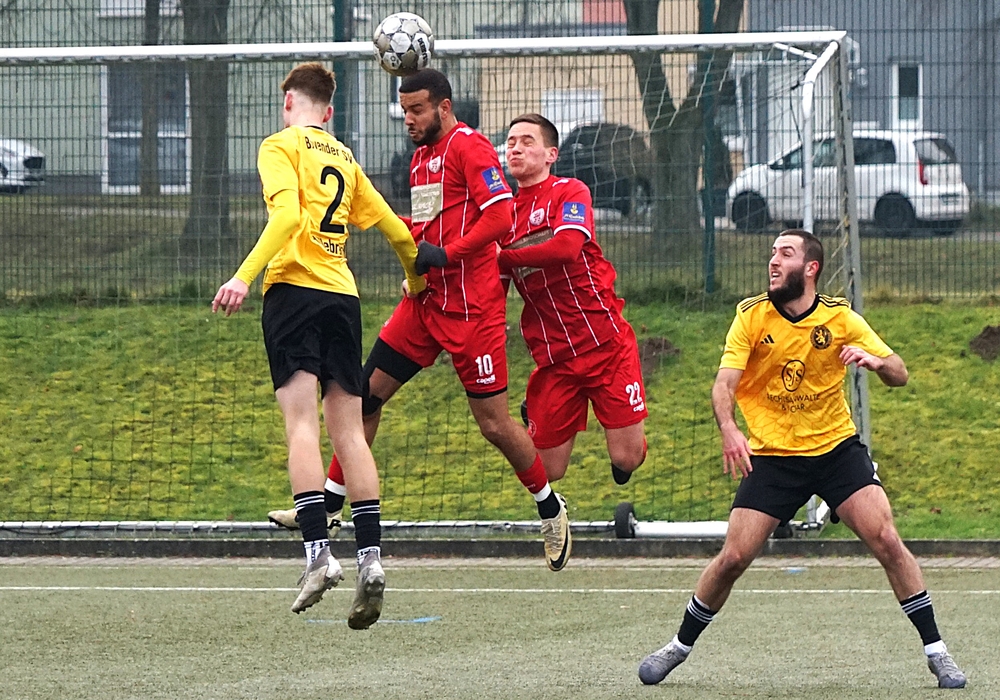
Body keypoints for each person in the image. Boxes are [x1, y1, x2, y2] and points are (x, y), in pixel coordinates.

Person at [268, 70, 572, 571]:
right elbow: (430, 223)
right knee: (364, 396)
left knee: (494, 424)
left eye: (417, 110)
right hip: (424, 304)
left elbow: (500, 219)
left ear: (444, 108)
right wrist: (400, 233)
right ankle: (328, 506)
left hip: (472, 311)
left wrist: (447, 254)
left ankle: (549, 506)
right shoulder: (419, 158)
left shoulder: (469, 147)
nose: (408, 119)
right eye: (404, 110)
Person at [637, 229, 967, 689]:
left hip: (836, 451)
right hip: (773, 457)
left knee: (888, 540)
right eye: (772, 252)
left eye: (785, 254)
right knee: (733, 558)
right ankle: (678, 645)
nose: (773, 261)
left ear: (811, 268)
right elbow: (724, 384)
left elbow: (900, 372)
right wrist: (729, 429)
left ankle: (938, 653)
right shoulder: (751, 316)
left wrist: (876, 363)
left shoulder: (840, 317)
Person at [212, 62, 425, 627]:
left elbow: (286, 215)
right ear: (328, 113)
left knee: (302, 425)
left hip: (293, 294)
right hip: (342, 299)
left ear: (289, 101)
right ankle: (372, 559)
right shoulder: (345, 158)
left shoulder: (279, 146)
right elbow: (398, 231)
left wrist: (243, 276)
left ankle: (318, 555)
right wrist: (416, 281)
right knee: (350, 432)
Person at [498, 113, 647, 485]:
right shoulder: (502, 217)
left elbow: (565, 248)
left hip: (604, 344)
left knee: (627, 458)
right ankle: (535, 412)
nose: (516, 148)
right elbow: (494, 289)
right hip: (555, 358)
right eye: (511, 142)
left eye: (527, 141)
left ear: (551, 154)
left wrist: (503, 257)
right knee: (547, 472)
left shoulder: (569, 191)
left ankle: (625, 450)